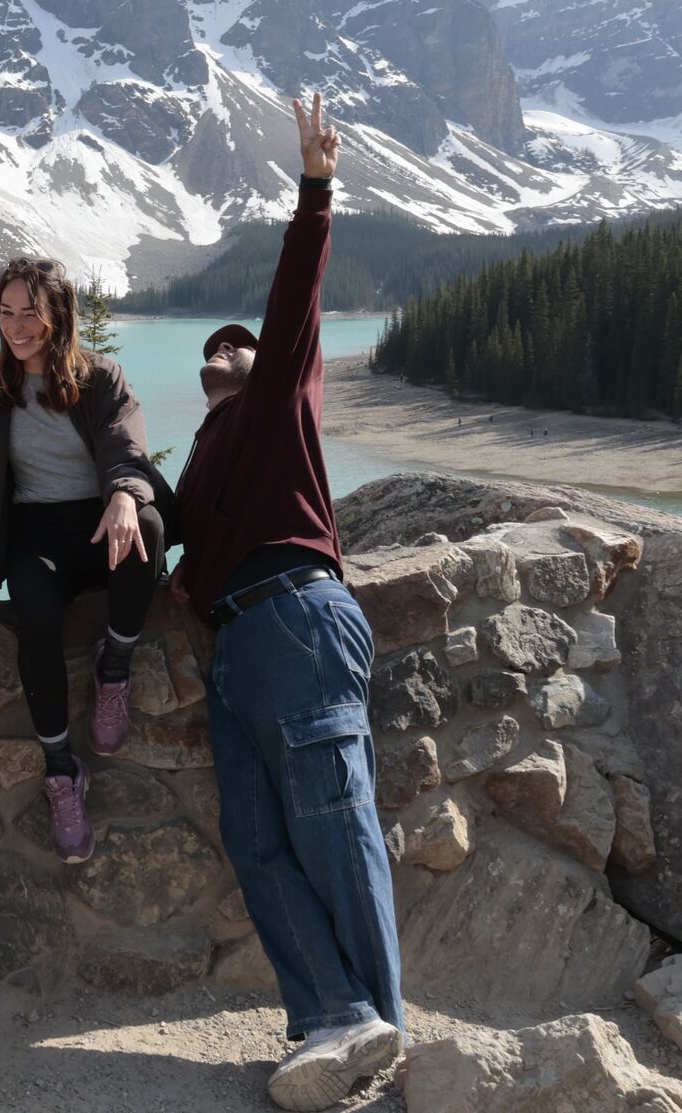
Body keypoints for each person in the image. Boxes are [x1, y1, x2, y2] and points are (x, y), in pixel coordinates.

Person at [170, 93, 404, 1111]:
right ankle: (331, 1014)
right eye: (216, 346)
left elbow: (295, 298)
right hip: (236, 647)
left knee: (335, 823)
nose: (226, 346)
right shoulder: (203, 458)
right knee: (257, 840)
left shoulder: (278, 407)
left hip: (298, 616)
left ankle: (381, 1034)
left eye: (241, 343)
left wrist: (315, 189)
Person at [0, 256, 171, 863]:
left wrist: (125, 493)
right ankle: (60, 768)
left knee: (147, 527)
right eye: (6, 312)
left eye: (31, 312)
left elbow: (125, 441)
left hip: (99, 515)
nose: (16, 326)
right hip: (34, 532)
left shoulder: (99, 376)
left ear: (59, 315)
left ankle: (114, 667)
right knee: (34, 613)